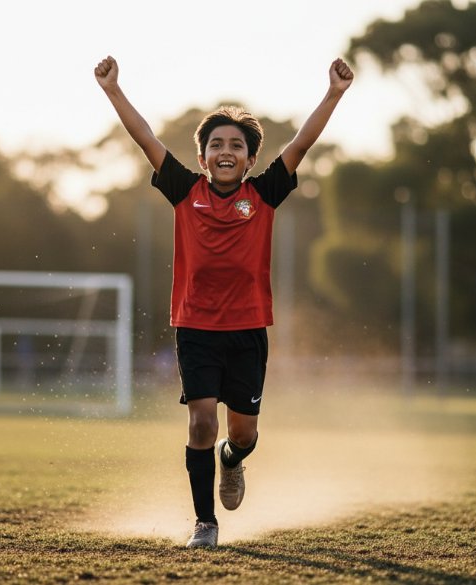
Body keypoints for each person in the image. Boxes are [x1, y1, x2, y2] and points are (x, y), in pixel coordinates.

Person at [94, 55, 353, 548]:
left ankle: (232, 461)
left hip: (248, 328)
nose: (226, 150)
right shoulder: (184, 190)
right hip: (195, 327)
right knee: (201, 421)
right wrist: (113, 90)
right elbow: (146, 138)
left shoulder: (264, 195)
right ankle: (205, 523)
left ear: (251, 159)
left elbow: (301, 143)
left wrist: (334, 94)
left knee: (244, 433)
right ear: (204, 157)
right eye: (216, 144)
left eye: (236, 145)